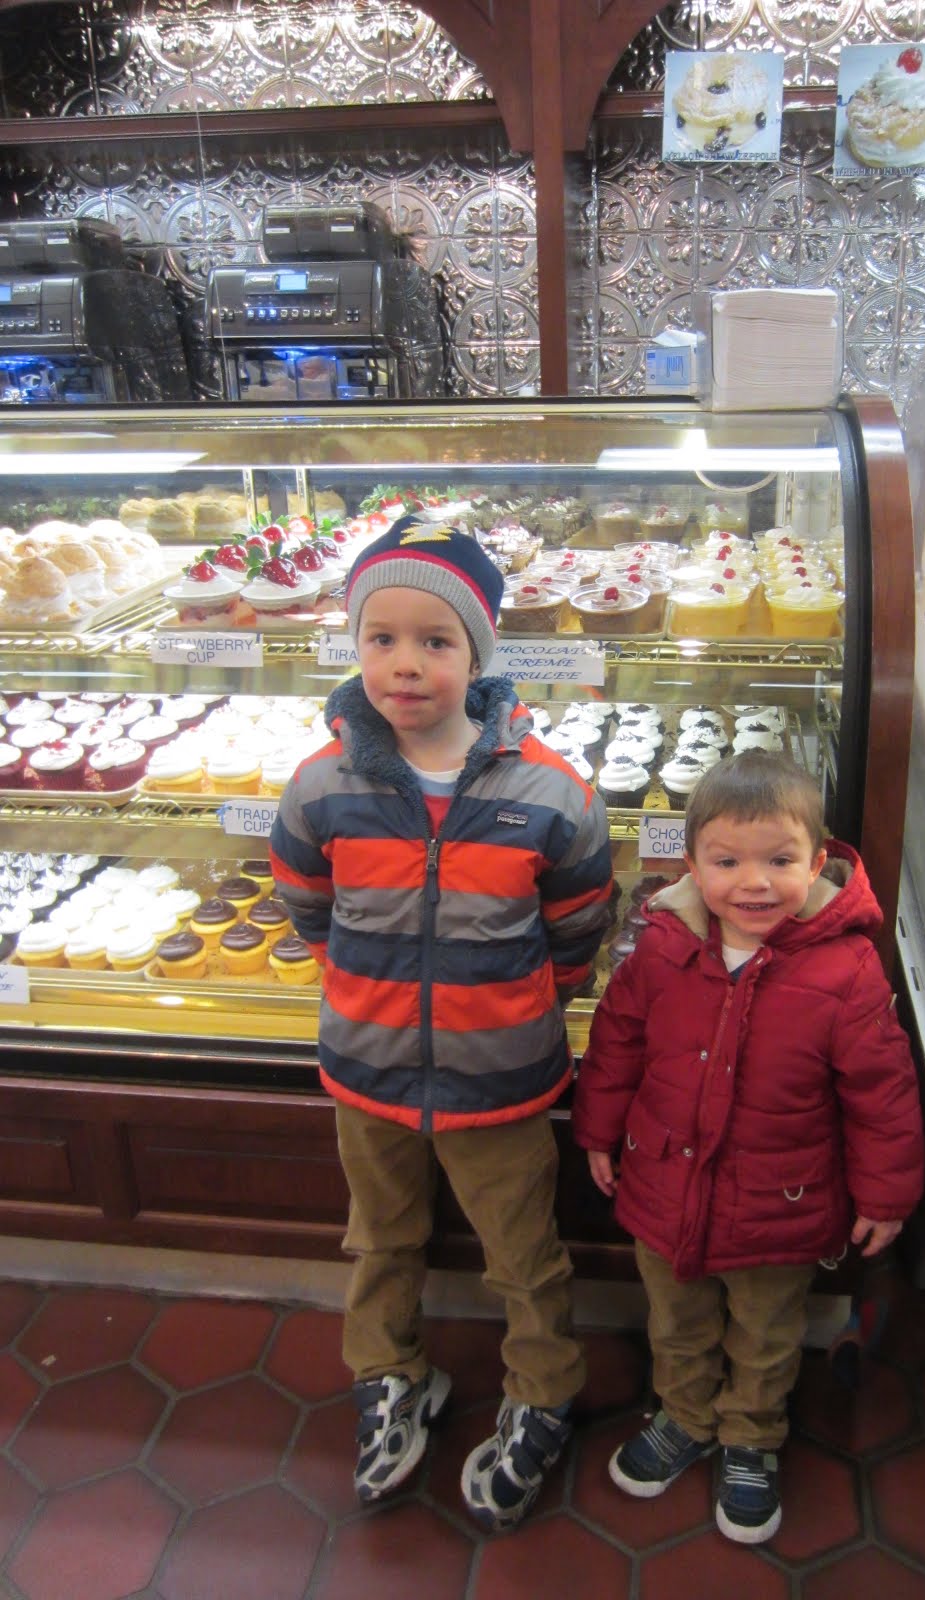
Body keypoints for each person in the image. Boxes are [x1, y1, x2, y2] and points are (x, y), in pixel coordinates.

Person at [269, 517, 613, 1531]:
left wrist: (515, 1006)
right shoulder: (322, 785)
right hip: (367, 1071)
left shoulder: (550, 792)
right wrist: (367, 991)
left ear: (478, 652)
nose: (406, 664)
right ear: (354, 646)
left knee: (524, 1252)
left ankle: (543, 1391)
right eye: (381, 638)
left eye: (436, 639)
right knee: (381, 1239)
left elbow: (577, 930)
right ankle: (390, 1373)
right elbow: (307, 907)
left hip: (500, 1077)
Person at [572, 750, 923, 1545]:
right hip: (664, 1184)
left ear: (818, 862)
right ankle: (685, 1416)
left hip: (780, 1205)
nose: (753, 883)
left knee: (765, 1334)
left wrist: (886, 1195)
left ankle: (751, 1436)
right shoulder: (662, 947)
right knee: (677, 1320)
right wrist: (597, 1129)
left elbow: (882, 1092)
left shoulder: (847, 969)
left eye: (779, 861)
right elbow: (618, 1042)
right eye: (727, 862)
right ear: (692, 865)